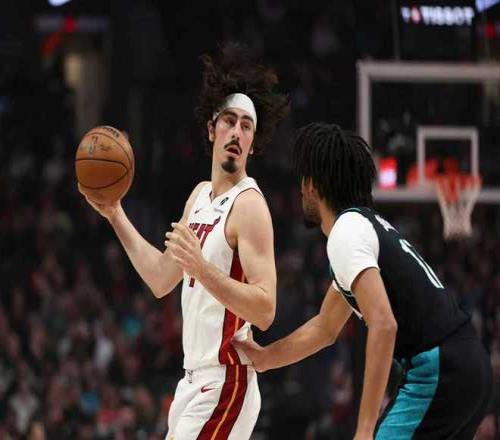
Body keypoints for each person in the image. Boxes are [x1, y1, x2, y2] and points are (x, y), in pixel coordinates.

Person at [81, 44, 288, 440]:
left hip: (227, 381)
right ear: (211, 129)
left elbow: (265, 309)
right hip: (193, 381)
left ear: (253, 142)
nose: (237, 131)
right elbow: (161, 279)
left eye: (247, 126)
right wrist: (115, 214)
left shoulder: (249, 205)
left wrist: (202, 269)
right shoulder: (199, 196)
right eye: (229, 121)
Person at [234, 123, 493, 439]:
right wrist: (265, 358)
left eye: (303, 179)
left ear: (314, 184)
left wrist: (365, 429)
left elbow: (384, 324)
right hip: (469, 366)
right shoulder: (365, 227)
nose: (300, 189)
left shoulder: (347, 232)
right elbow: (325, 328)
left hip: (440, 370)